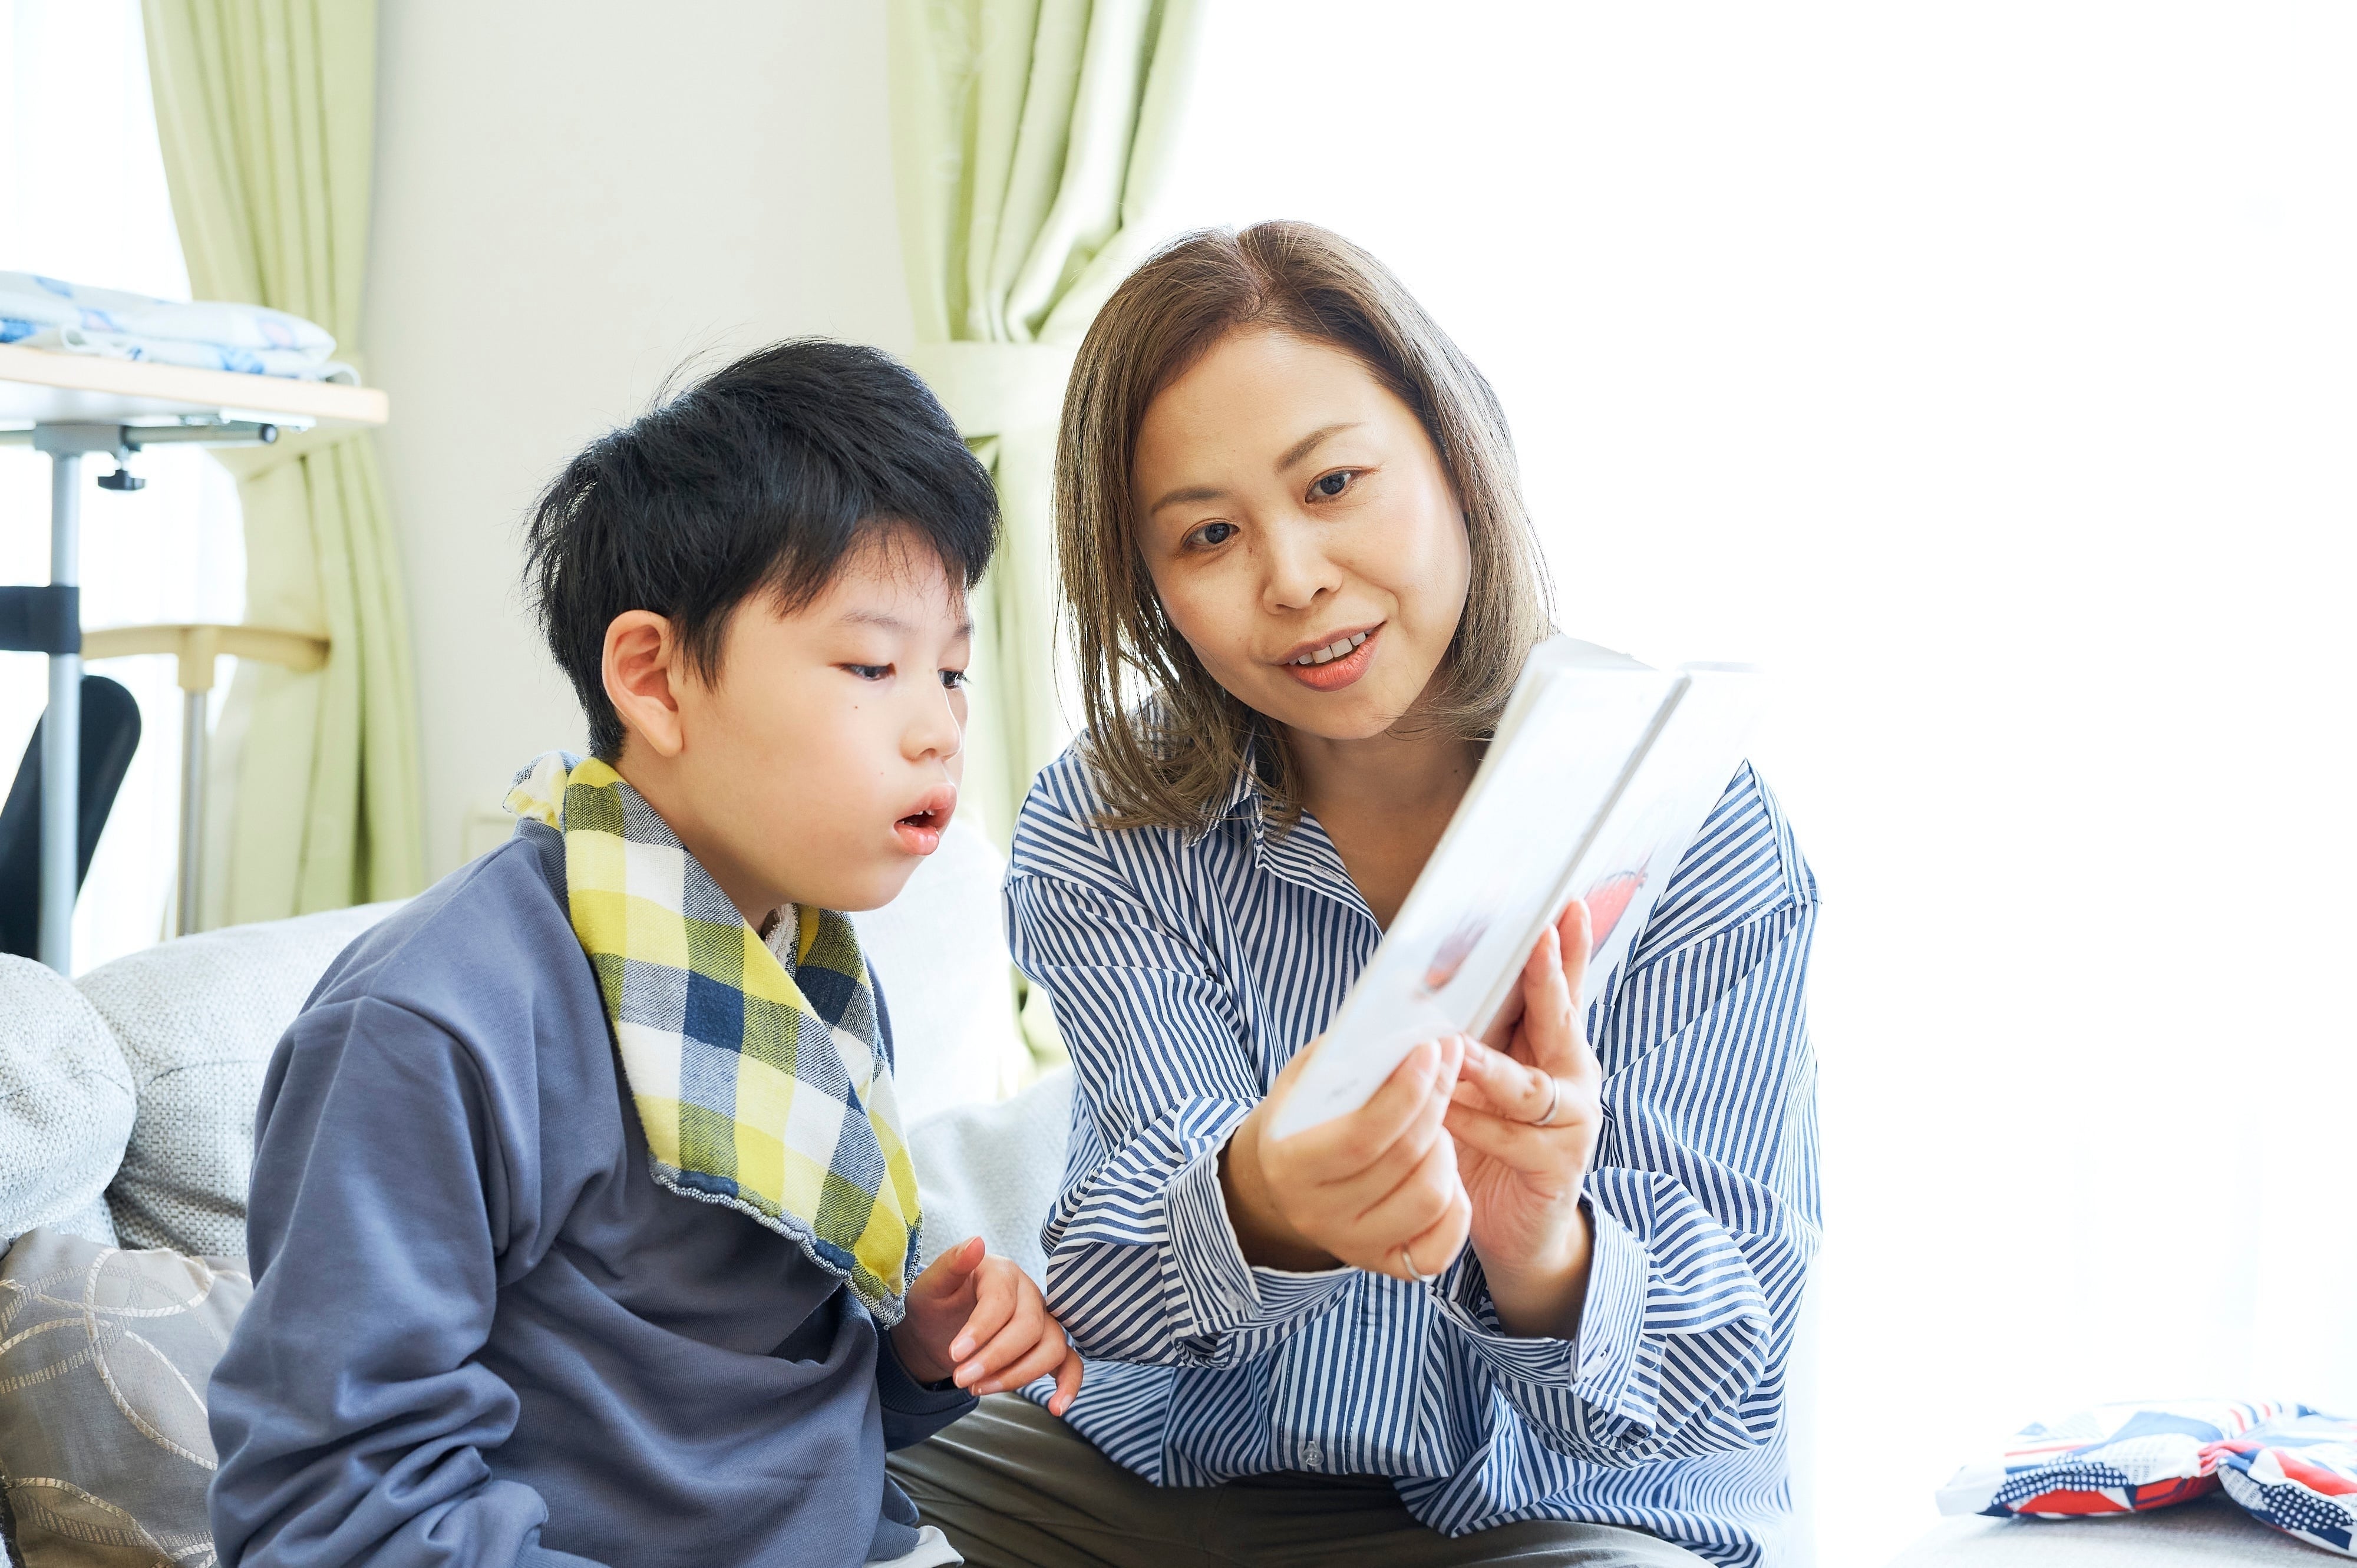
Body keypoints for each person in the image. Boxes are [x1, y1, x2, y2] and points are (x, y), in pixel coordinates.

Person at [889, 225, 1821, 1567]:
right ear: (1150, 588)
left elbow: (1727, 1371)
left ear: (1455, 456)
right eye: (1209, 534)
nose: (1292, 577)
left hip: (1557, 1515)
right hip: (1168, 1490)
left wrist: (1542, 1250)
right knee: (807, 1463)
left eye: (1333, 483)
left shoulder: (1692, 821)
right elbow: (1114, 1272)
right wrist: (1266, 1194)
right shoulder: (1106, 818)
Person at [206, 341, 1082, 1568]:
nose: (938, 725)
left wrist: (917, 1357)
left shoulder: (811, 968)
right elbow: (327, 1514)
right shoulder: (429, 1022)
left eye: (950, 670)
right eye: (873, 666)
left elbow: (752, 1416)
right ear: (655, 679)